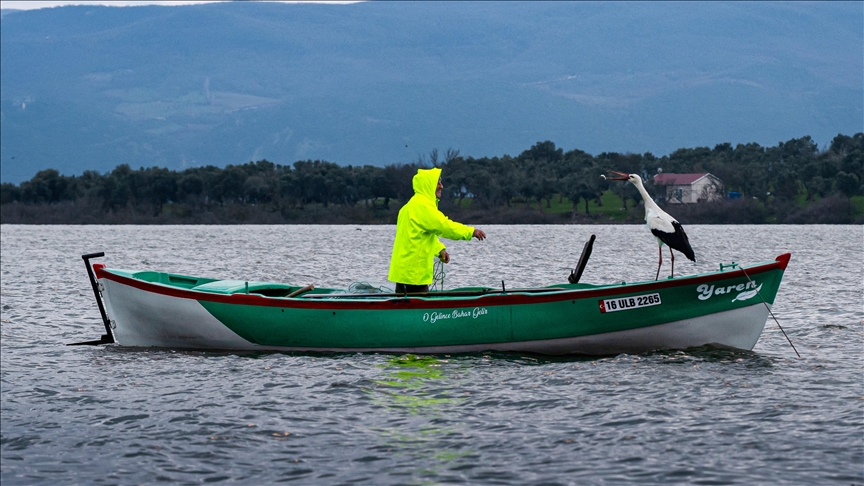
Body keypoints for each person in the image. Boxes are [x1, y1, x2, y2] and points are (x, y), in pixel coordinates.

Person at [388, 167, 486, 294]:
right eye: (437, 183)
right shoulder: (422, 207)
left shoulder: (408, 207)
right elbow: (444, 226)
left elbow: (420, 236)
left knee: (402, 309)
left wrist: (439, 249)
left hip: (402, 273)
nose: (441, 186)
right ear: (428, 185)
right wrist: (470, 232)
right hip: (414, 275)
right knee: (420, 310)